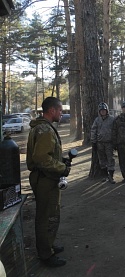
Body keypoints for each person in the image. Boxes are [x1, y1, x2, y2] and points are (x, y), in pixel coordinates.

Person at [26, 97, 71, 267]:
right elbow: (41, 158)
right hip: (45, 179)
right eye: (60, 110)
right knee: (46, 217)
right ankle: (45, 254)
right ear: (52, 110)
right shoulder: (44, 129)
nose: (61, 113)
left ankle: (49, 245)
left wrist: (61, 160)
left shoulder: (44, 127)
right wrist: (61, 168)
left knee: (51, 214)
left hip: (47, 178)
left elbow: (48, 154)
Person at [90, 102, 116, 184]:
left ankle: (111, 176)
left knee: (110, 159)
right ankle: (105, 176)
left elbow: (115, 130)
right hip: (100, 143)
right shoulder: (97, 120)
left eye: (104, 110)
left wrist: (115, 141)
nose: (103, 112)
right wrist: (93, 142)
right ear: (99, 111)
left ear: (107, 111)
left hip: (109, 143)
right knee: (102, 160)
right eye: (101, 111)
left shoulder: (112, 119)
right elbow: (93, 130)